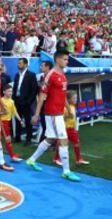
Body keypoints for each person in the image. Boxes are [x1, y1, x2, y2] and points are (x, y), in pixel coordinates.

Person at [27, 50, 81, 182]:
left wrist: (68, 109)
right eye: (65, 59)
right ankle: (66, 171)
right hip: (52, 113)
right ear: (57, 60)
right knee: (63, 140)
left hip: (58, 113)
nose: (67, 62)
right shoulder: (50, 75)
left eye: (67, 59)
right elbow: (42, 95)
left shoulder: (62, 75)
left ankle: (31, 160)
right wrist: (36, 114)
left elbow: (62, 96)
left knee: (50, 138)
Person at [0, 85, 23, 162]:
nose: (10, 93)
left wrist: (20, 120)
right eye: (9, 91)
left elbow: (15, 111)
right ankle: (12, 156)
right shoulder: (1, 101)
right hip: (1, 122)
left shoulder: (12, 101)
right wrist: (2, 113)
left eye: (11, 91)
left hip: (7, 122)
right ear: (4, 92)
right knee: (7, 139)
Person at [54, 91, 89, 166]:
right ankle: (56, 158)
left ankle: (79, 159)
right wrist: (67, 117)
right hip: (64, 129)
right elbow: (59, 119)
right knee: (61, 144)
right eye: (74, 98)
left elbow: (73, 118)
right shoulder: (63, 107)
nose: (76, 99)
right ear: (68, 99)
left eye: (76, 98)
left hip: (72, 129)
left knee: (77, 143)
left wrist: (75, 127)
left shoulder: (73, 106)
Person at [12, 58, 38, 145]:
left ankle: (28, 139)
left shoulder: (31, 75)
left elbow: (34, 90)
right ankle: (17, 137)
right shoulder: (17, 75)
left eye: (20, 63)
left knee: (27, 121)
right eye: (18, 63)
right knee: (17, 120)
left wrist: (29, 102)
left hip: (26, 102)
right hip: (17, 101)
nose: (18, 64)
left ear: (26, 64)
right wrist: (13, 99)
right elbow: (15, 88)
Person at [38, 61, 53, 142]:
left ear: (47, 67)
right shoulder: (42, 77)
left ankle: (47, 142)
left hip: (49, 103)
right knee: (44, 122)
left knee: (48, 123)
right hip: (42, 103)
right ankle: (45, 141)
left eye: (42, 66)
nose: (40, 67)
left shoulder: (51, 77)